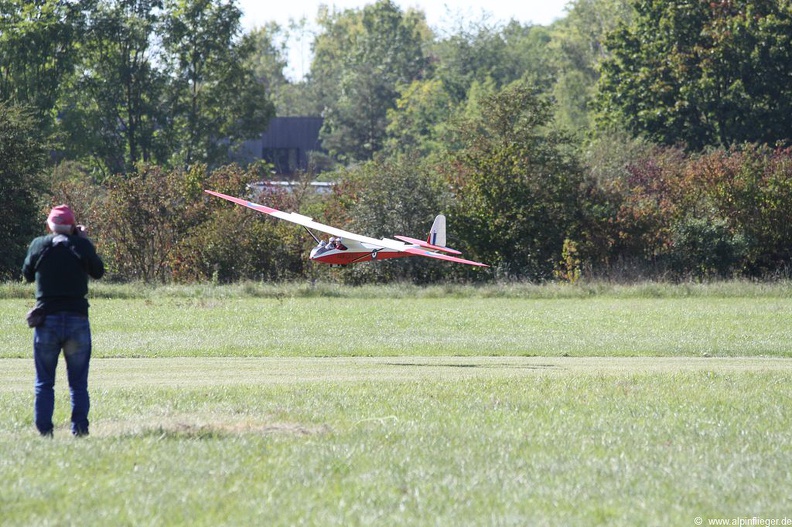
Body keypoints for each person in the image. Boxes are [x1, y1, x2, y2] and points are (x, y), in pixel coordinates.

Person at [22, 205, 105, 437]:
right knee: (78, 383)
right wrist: (84, 241)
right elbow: (98, 271)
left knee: (44, 382)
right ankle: (79, 430)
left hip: (47, 320)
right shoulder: (81, 245)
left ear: (50, 225)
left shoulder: (39, 244)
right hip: (77, 320)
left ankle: (44, 432)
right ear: (71, 225)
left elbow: (27, 274)